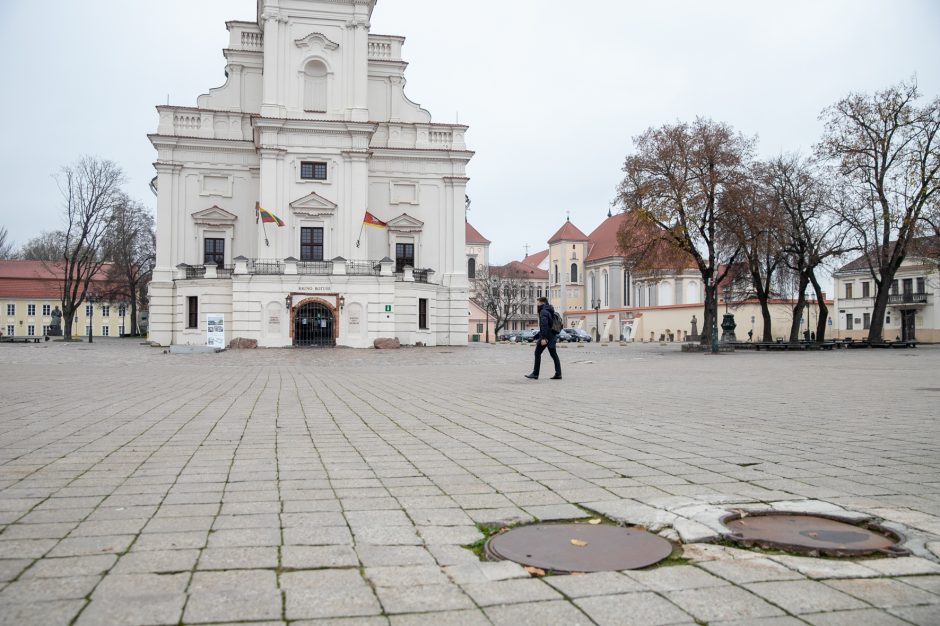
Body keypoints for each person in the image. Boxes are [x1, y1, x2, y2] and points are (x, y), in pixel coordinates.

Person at [525, 297, 562, 380]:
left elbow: (544, 326)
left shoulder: (543, 311)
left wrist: (543, 338)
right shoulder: (549, 310)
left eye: (538, 302)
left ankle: (535, 373)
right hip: (552, 336)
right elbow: (547, 326)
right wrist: (535, 337)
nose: (537, 304)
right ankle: (558, 373)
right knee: (554, 355)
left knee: (537, 353)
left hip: (547, 337)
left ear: (542, 302)